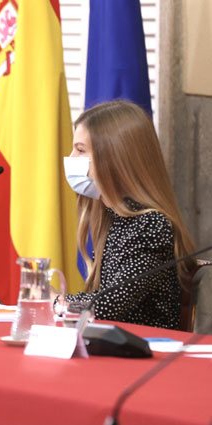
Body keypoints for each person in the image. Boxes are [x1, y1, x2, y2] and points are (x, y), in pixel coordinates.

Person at [63, 100, 195, 330]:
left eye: (81, 150)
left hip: (146, 353)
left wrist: (54, 301)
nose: (71, 158)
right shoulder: (113, 216)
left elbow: (109, 304)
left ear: (114, 158)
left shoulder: (150, 225)